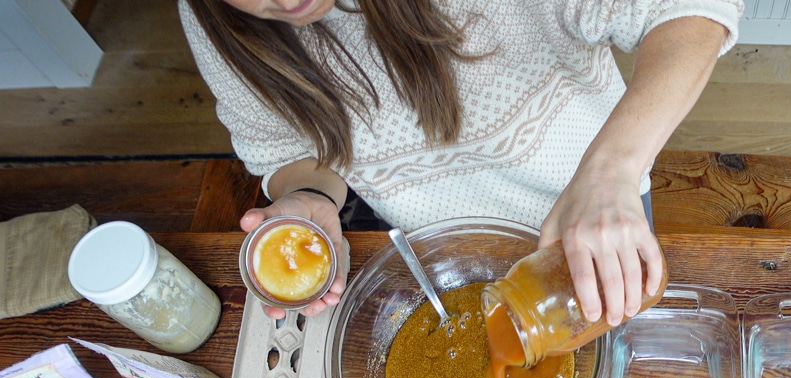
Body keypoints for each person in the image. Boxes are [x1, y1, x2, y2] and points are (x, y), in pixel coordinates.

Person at [179, 0, 743, 322]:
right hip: (434, 254)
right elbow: (288, 148)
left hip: (593, 214)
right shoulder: (212, 19)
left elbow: (690, 11)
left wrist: (610, 173)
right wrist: (310, 197)